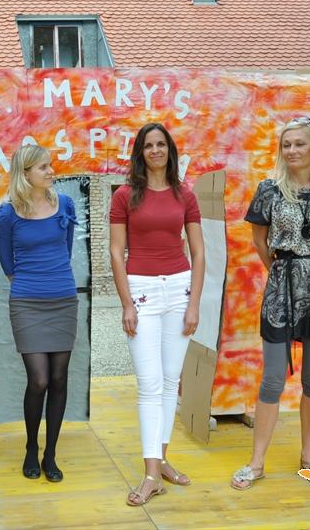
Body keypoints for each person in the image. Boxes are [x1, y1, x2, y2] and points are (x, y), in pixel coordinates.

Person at [231, 116, 310, 490]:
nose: (292, 150)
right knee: (272, 377)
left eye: (300, 143)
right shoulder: (268, 192)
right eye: (286, 144)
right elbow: (259, 241)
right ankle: (256, 463)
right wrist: (284, 271)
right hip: (281, 288)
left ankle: (309, 456)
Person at [109, 123, 205, 506]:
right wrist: (126, 303)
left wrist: (194, 303)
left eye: (161, 144)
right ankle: (151, 474)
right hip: (142, 291)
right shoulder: (124, 196)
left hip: (179, 290)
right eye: (148, 145)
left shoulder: (185, 195)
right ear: (140, 152)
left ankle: (161, 460)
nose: (155, 151)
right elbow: (116, 252)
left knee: (169, 382)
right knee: (149, 384)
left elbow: (199, 253)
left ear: (169, 150)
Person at [0, 144, 78, 483]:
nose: (51, 171)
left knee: (59, 378)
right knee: (39, 379)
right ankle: (31, 446)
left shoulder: (65, 205)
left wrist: (52, 280)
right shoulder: (8, 213)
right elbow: (7, 264)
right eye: (43, 167)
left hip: (63, 299)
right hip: (27, 302)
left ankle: (50, 453)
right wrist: (33, 283)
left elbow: (66, 250)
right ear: (25, 173)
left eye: (50, 165)